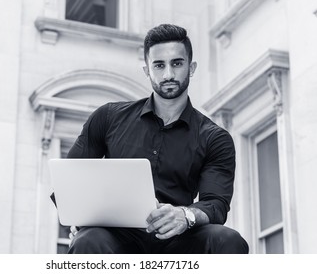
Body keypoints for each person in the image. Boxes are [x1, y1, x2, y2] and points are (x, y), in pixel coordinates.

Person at [63, 24, 249, 254]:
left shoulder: (215, 138)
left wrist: (185, 215)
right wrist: (80, 220)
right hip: (116, 236)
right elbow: (70, 179)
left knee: (228, 240)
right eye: (159, 65)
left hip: (180, 237)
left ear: (191, 68)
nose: (168, 74)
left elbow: (216, 204)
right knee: (87, 240)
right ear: (147, 70)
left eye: (177, 63)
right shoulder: (108, 117)